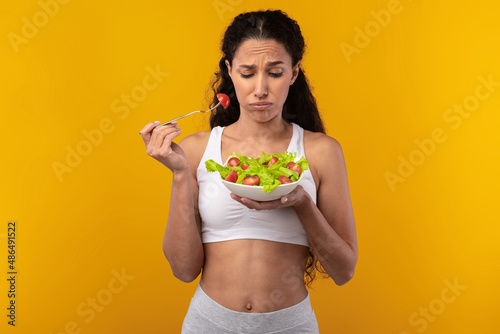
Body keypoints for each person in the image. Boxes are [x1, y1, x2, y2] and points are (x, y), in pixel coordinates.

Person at [139, 9, 358, 334]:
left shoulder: (322, 151)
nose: (260, 89)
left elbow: (343, 270)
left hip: (290, 326)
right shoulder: (198, 149)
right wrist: (181, 174)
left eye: (275, 72)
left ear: (294, 72)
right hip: (208, 323)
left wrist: (301, 202)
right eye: (246, 72)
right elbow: (184, 271)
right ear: (230, 71)